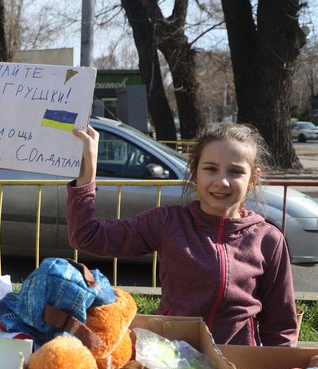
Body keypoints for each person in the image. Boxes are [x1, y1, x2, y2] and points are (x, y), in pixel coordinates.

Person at [66, 123, 298, 346]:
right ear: (194, 172)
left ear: (253, 178)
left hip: (239, 365)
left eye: (236, 171)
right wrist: (87, 175)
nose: (222, 181)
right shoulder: (169, 222)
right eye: (210, 168)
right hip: (172, 359)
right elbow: (87, 236)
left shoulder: (268, 239)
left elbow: (280, 325)